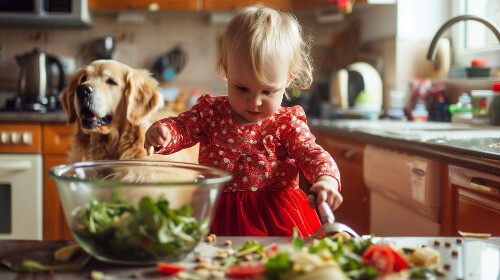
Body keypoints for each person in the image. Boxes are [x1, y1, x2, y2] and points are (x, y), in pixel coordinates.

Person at [144, 5, 342, 237]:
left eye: (268, 92)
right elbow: (182, 128)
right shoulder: (210, 112)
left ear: (288, 79)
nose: (254, 102)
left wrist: (326, 179)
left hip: (277, 220)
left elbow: (313, 154)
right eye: (242, 88)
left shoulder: (287, 123)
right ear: (227, 71)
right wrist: (164, 132)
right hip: (216, 216)